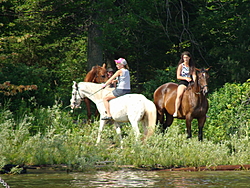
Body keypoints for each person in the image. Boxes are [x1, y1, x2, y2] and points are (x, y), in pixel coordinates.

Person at [173, 51, 196, 117]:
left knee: (200, 93)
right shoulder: (181, 66)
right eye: (184, 57)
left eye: (186, 57)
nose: (185, 59)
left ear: (189, 58)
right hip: (183, 82)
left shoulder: (192, 66)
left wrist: (194, 81)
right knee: (179, 95)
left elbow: (194, 75)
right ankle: (176, 111)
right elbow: (178, 76)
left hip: (191, 82)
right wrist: (185, 78)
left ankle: (203, 111)